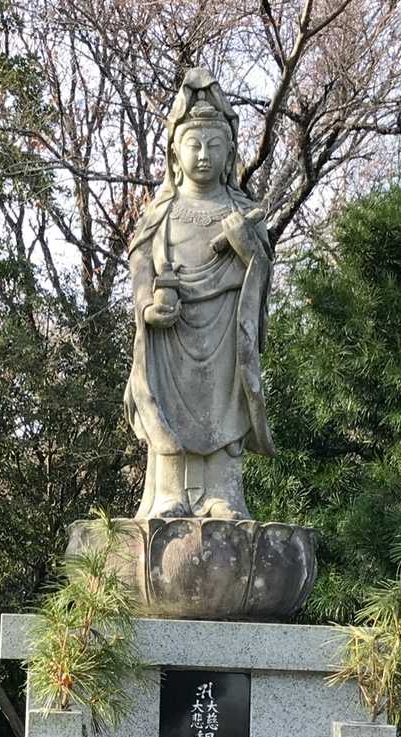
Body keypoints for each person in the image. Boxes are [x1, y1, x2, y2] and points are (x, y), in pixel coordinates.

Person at [124, 68, 274, 519]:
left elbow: (262, 272)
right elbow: (140, 262)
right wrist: (147, 306)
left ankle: (223, 493)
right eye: (194, 144)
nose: (204, 155)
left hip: (226, 326)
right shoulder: (161, 212)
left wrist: (247, 248)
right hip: (171, 332)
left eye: (214, 145)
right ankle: (168, 493)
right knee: (165, 405)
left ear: (229, 154)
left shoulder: (241, 210)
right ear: (175, 152)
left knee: (225, 402)